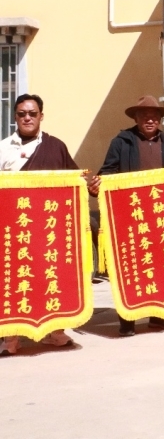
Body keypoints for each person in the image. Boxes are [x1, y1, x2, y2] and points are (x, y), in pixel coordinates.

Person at [94, 96, 164, 337]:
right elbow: (107, 171)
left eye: (154, 116)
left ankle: (159, 316)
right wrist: (99, 183)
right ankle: (128, 319)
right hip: (130, 215)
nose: (150, 120)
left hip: (159, 215)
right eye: (144, 116)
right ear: (136, 118)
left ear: (160, 120)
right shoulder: (122, 142)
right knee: (130, 266)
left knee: (161, 264)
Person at [0, 94, 81, 356]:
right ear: (15, 116)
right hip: (15, 229)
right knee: (15, 279)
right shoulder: (3, 148)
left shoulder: (55, 146)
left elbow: (74, 178)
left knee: (50, 276)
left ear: (41, 116)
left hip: (48, 229)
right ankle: (10, 338)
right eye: (22, 113)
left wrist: (91, 185)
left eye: (32, 113)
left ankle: (55, 332)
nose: (27, 118)